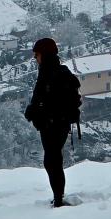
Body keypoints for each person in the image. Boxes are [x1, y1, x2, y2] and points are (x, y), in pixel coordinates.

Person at [24, 37, 81, 207]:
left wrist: (35, 111)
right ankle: (58, 196)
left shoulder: (50, 73)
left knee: (52, 161)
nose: (35, 58)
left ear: (44, 54)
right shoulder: (51, 71)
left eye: (37, 55)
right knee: (53, 160)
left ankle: (58, 199)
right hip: (55, 124)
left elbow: (47, 100)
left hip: (53, 125)